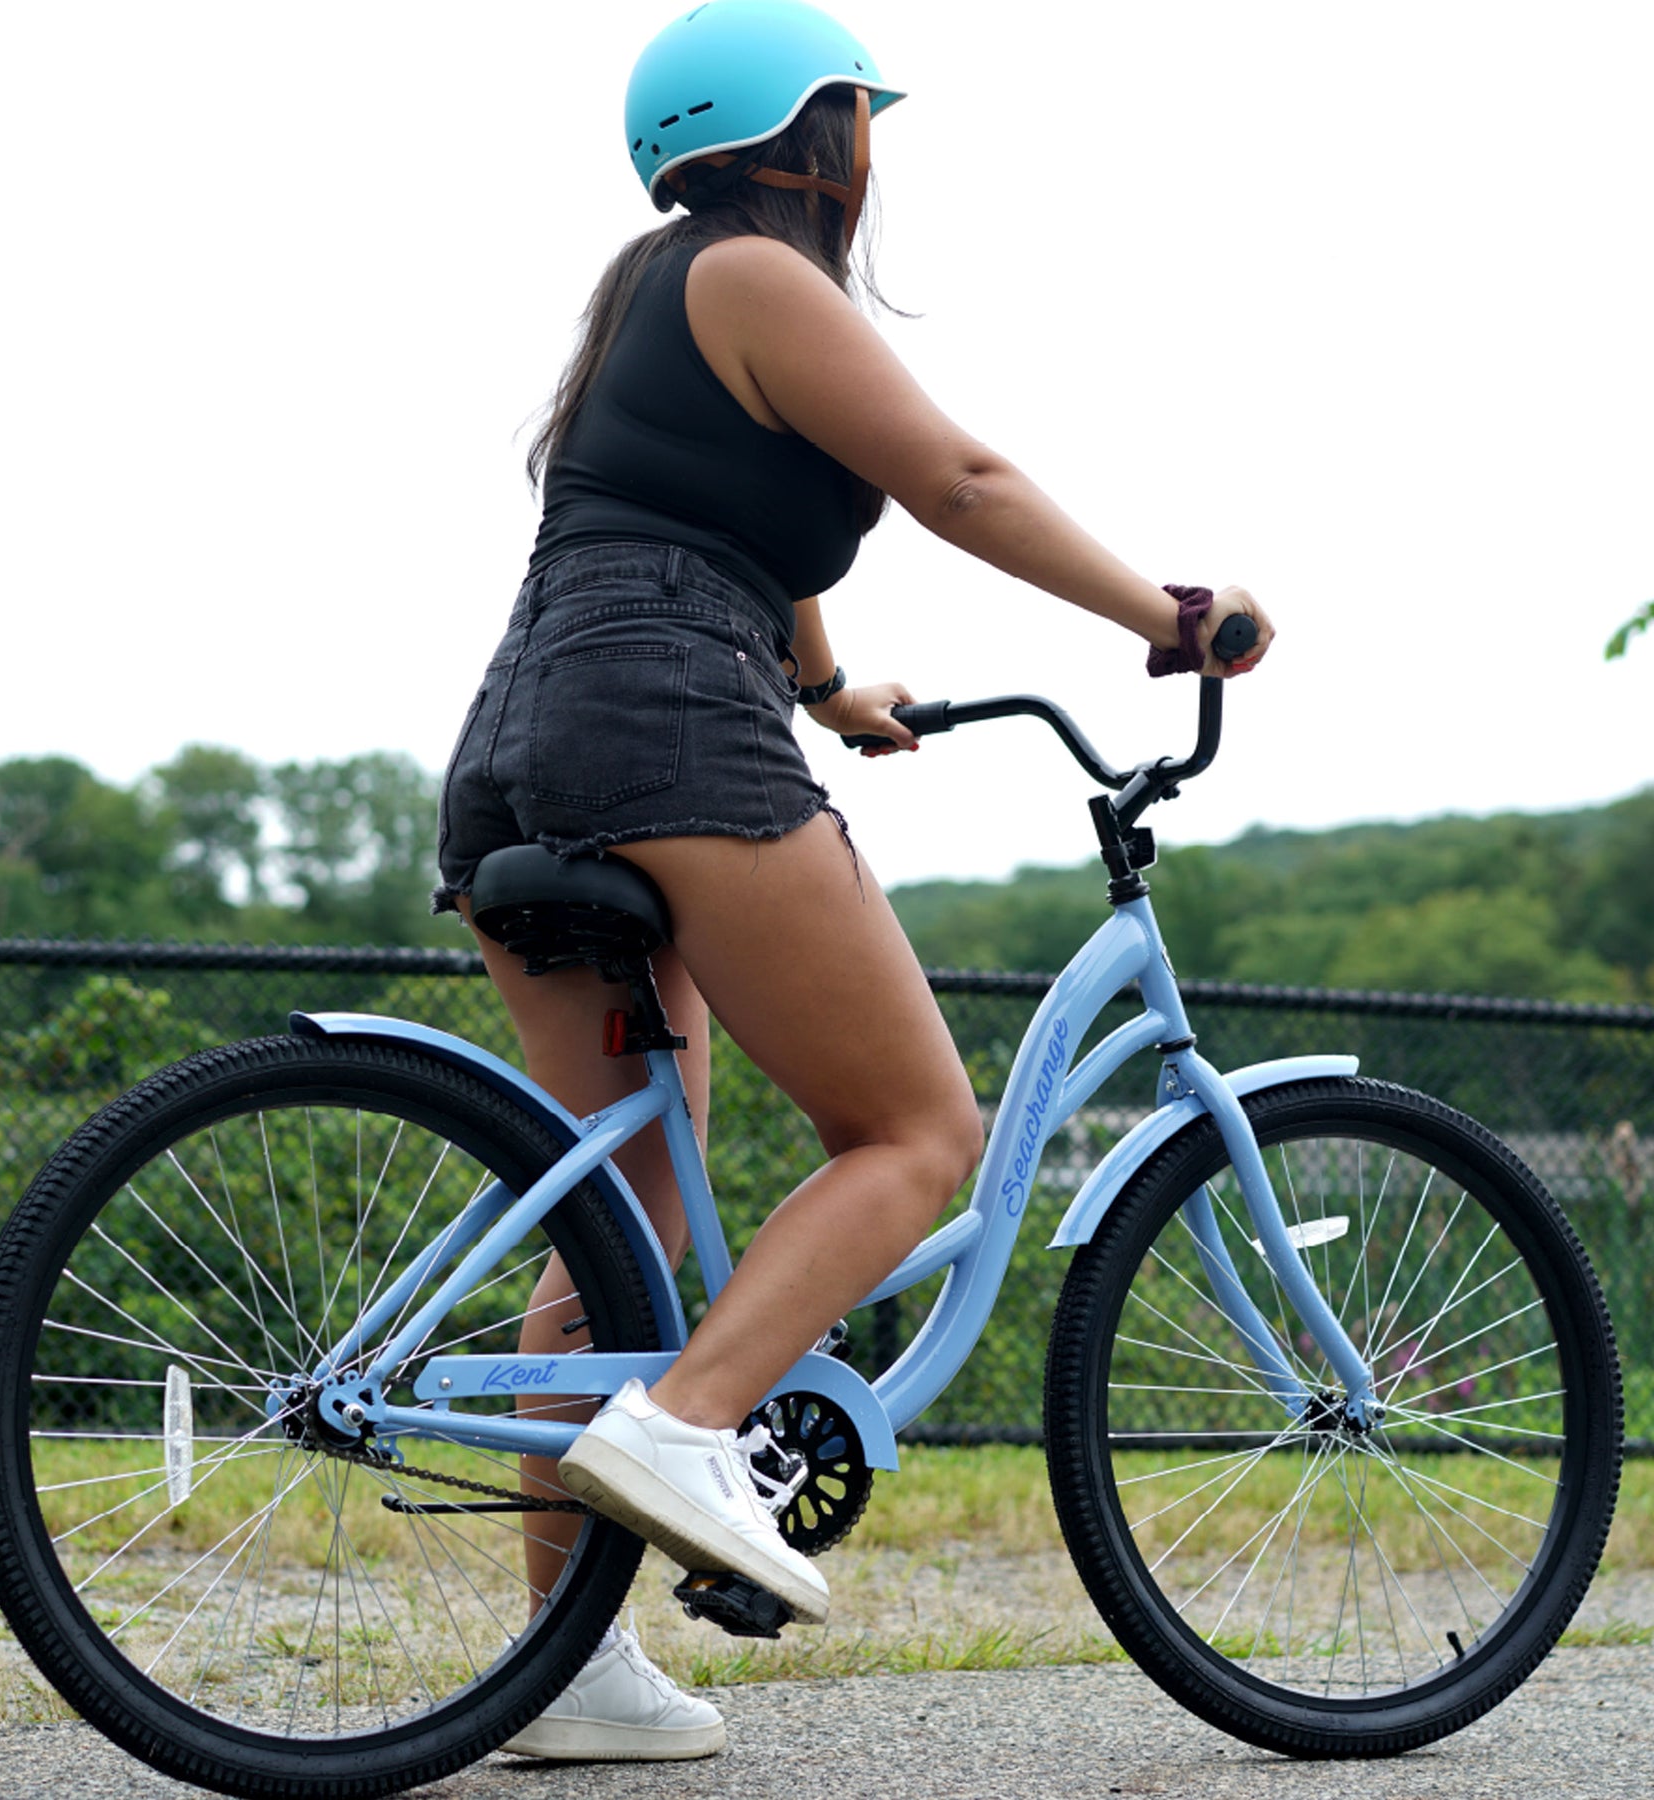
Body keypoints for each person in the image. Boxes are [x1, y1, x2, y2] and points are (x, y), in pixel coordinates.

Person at [433, 0, 1275, 1762]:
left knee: (628, 1214)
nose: (873, 147)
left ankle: (566, 1671)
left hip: (541, 728)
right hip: (665, 719)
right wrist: (1169, 618)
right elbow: (958, 481)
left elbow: (729, 519)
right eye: (858, 118)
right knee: (917, 1134)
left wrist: (831, 692)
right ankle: (688, 1433)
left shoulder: (663, 303)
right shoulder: (755, 274)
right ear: (816, 135)